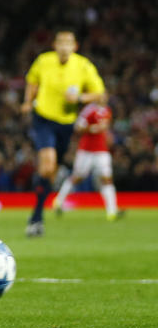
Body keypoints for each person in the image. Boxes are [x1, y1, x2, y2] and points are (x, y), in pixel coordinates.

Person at [20, 29, 105, 237]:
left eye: (68, 43)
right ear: (55, 45)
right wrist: (27, 101)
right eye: (60, 42)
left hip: (67, 124)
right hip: (43, 118)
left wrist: (79, 99)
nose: (64, 46)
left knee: (51, 171)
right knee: (48, 164)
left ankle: (38, 213)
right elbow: (32, 80)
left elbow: (99, 93)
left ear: (74, 46)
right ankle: (36, 217)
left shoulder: (83, 65)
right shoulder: (43, 61)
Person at [53, 99, 122, 220]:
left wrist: (107, 136)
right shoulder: (89, 110)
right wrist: (93, 128)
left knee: (107, 178)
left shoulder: (107, 110)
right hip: (87, 150)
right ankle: (58, 201)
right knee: (78, 177)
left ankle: (112, 211)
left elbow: (105, 129)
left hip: (102, 150)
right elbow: (78, 127)